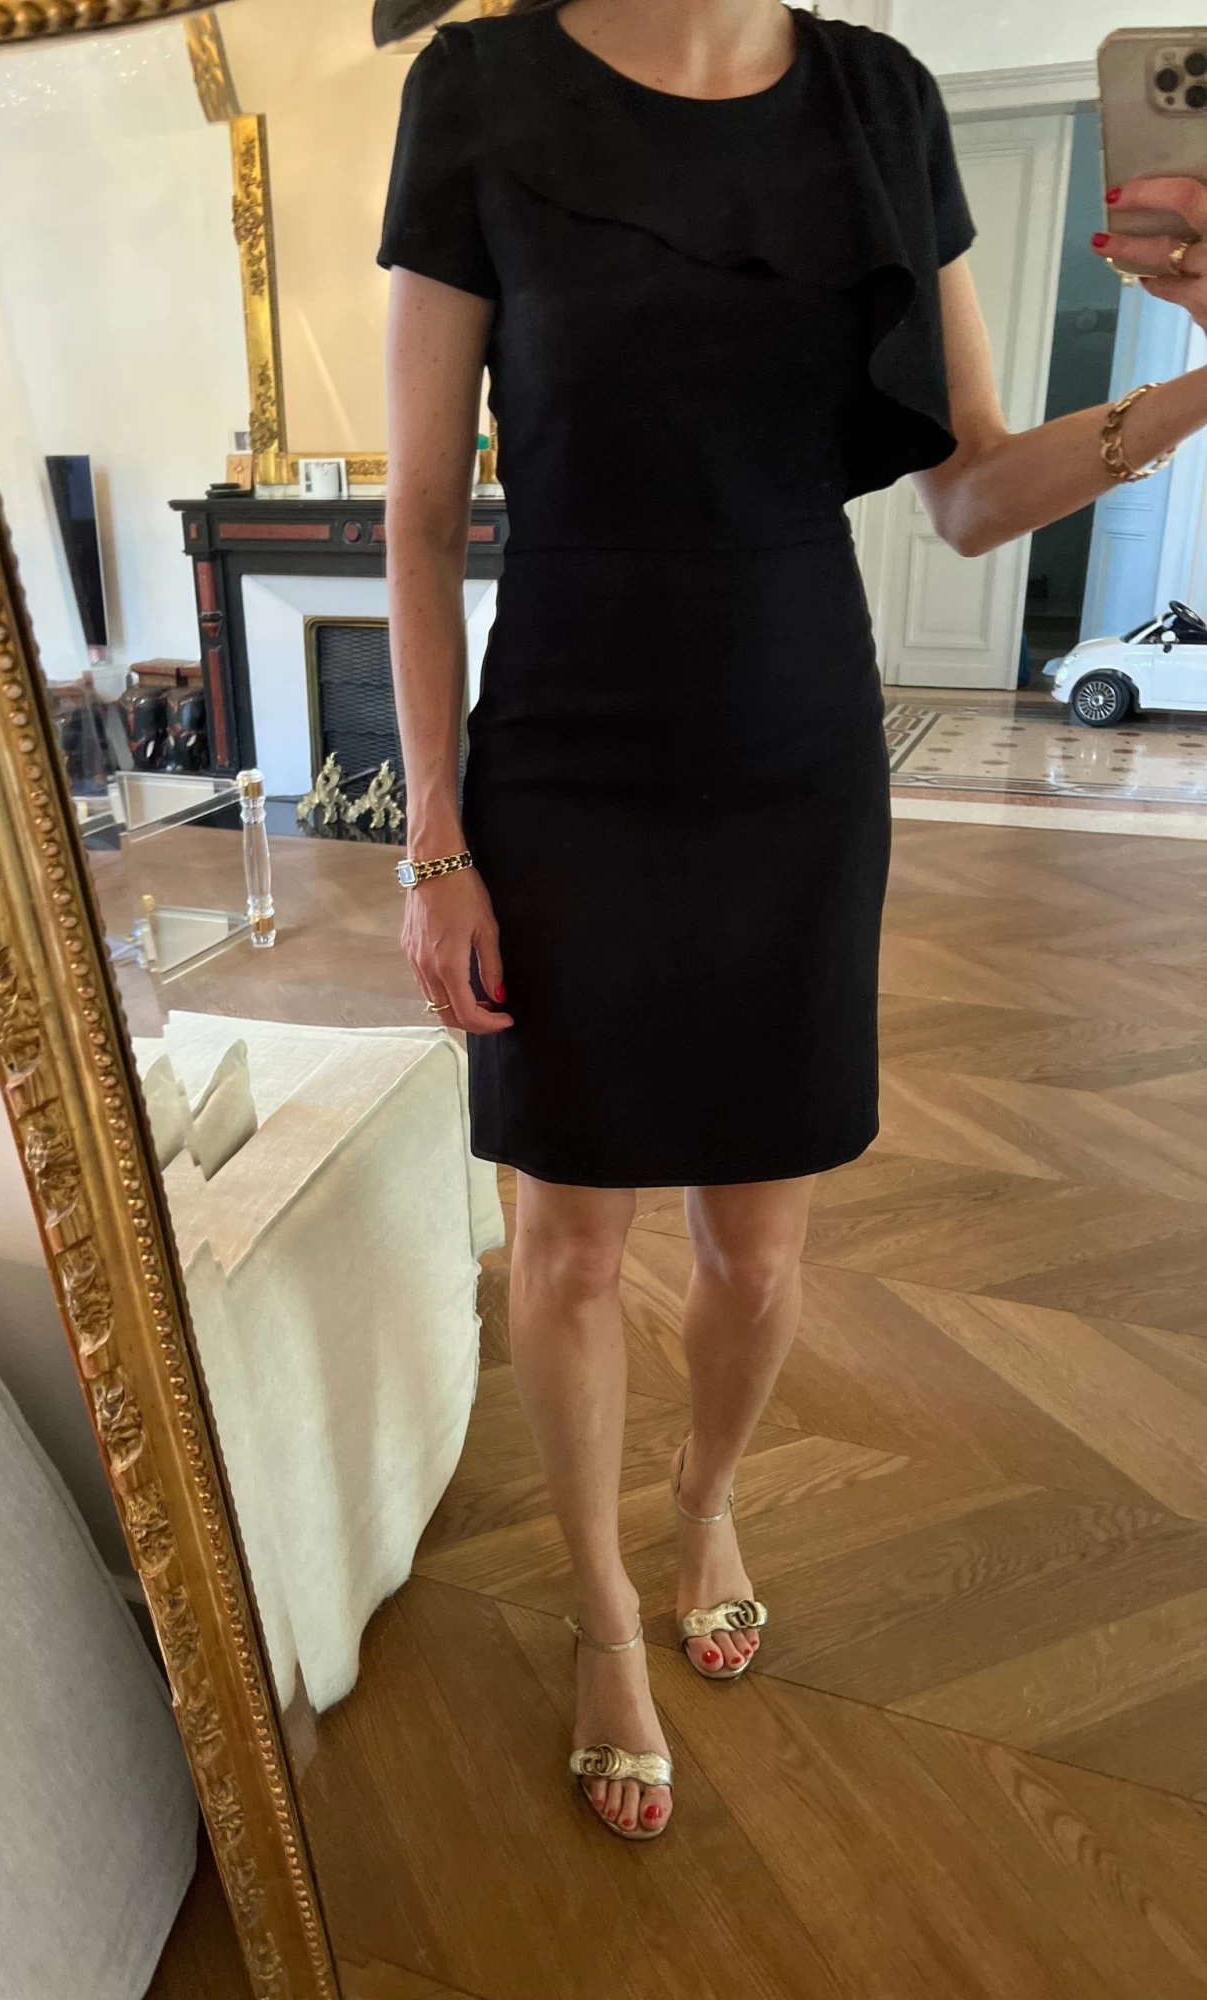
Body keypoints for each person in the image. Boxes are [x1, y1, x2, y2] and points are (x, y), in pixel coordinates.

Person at [379, 0, 1207, 1844]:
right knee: (567, 1251)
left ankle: (707, 1504)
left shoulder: (878, 101)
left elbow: (971, 495)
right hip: (564, 744)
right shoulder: (480, 90)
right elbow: (422, 514)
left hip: (793, 746)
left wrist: (1203, 382)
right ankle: (602, 1610)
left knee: (760, 1251)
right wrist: (434, 839)